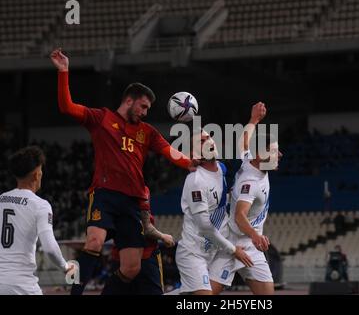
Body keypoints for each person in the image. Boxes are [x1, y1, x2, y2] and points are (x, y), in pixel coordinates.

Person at [50, 48, 197, 295]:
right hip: (105, 194)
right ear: (129, 100)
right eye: (143, 106)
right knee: (94, 241)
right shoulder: (101, 119)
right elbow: (67, 107)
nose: (145, 112)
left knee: (131, 268)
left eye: (148, 108)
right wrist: (64, 71)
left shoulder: (147, 131)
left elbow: (169, 151)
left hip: (133, 202)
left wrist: (190, 162)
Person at [209, 102, 282, 295]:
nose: (279, 154)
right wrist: (256, 235)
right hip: (233, 244)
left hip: (251, 247)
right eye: (274, 151)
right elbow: (240, 216)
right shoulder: (250, 184)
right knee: (201, 297)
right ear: (260, 154)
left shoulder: (250, 160)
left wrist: (254, 119)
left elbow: (243, 141)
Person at [175, 129, 253, 295]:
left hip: (216, 251)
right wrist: (233, 250)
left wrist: (253, 121)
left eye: (209, 137)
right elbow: (205, 228)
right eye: (202, 141)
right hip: (193, 253)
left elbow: (242, 152)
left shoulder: (222, 169)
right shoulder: (196, 181)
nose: (209, 141)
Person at [0, 146, 74, 295]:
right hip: (22, 285)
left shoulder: (1, 199)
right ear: (36, 175)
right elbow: (50, 248)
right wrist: (66, 267)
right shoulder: (40, 205)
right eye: (41, 171)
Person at [107, 186, 175, 295]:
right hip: (145, 256)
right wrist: (163, 237)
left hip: (121, 257)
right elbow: (147, 229)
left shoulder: (107, 193)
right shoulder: (140, 189)